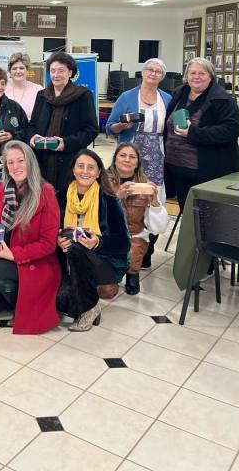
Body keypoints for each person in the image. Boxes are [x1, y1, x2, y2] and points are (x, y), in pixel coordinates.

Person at [0, 140, 61, 334]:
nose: (15, 166)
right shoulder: (1, 189)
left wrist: (14, 255)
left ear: (30, 161)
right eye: (10, 162)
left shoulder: (45, 193)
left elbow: (48, 244)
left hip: (33, 262)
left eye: (20, 160)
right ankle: (15, 296)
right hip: (6, 257)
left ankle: (25, 301)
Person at [106, 57, 172, 267]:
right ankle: (124, 244)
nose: (153, 74)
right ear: (143, 72)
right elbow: (109, 127)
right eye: (150, 69)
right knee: (128, 199)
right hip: (130, 154)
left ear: (162, 76)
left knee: (153, 198)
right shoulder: (127, 97)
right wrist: (121, 126)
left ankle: (147, 250)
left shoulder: (167, 99)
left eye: (158, 71)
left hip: (157, 156)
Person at [56, 150, 130, 331]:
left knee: (77, 249)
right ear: (73, 169)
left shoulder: (108, 199)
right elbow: (50, 229)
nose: (85, 171)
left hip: (102, 260)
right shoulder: (61, 195)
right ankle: (87, 300)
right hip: (66, 260)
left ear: (98, 173)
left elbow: (123, 243)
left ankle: (89, 309)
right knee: (60, 300)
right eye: (80, 166)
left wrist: (97, 242)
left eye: (91, 167)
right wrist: (58, 240)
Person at [164, 57, 239, 212]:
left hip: (206, 170)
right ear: (186, 75)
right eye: (192, 73)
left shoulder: (223, 99)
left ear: (211, 76)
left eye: (202, 73)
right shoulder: (179, 93)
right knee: (186, 213)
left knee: (207, 216)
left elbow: (231, 130)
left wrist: (193, 133)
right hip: (177, 166)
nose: (196, 77)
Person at [28, 52, 99, 193]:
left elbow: (91, 130)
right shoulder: (42, 95)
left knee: (65, 200)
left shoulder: (82, 95)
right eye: (53, 71)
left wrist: (66, 143)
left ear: (70, 73)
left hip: (69, 161)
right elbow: (32, 125)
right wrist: (32, 136)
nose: (56, 75)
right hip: (41, 160)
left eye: (61, 71)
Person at [107, 143, 169, 295]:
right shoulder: (103, 182)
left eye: (132, 157)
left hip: (134, 233)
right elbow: (97, 212)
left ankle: (132, 273)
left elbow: (159, 228)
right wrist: (117, 197)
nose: (127, 160)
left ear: (137, 163)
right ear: (115, 160)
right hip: (106, 232)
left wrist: (154, 202)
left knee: (135, 245)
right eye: (122, 155)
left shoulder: (145, 184)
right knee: (107, 288)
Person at [4, 52, 42, 121]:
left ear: (27, 70)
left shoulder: (38, 90)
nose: (18, 71)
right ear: (10, 71)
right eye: (14, 68)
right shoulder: (2, 89)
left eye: (21, 68)